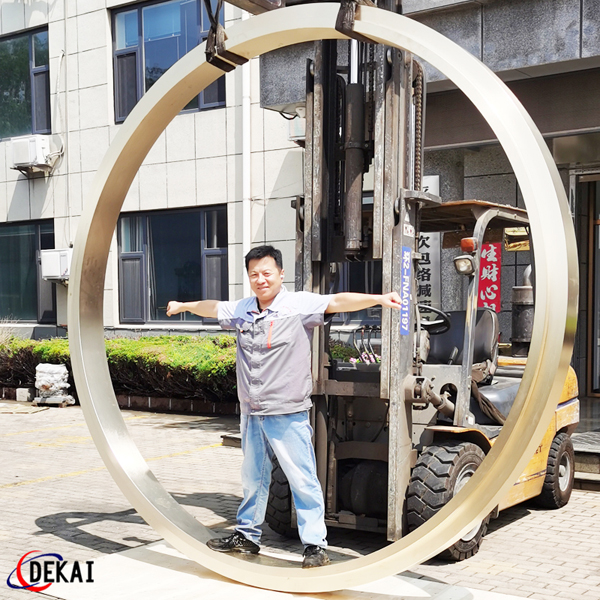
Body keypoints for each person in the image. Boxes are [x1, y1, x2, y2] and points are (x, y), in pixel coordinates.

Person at [166, 245, 401, 568]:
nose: (260, 280)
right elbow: (214, 307)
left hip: (287, 412)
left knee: (302, 479)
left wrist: (378, 299)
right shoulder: (244, 309)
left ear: (280, 273)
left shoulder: (298, 305)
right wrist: (182, 306)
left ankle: (315, 545)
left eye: (266, 273)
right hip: (252, 411)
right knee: (253, 478)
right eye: (254, 275)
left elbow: (337, 301)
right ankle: (247, 536)